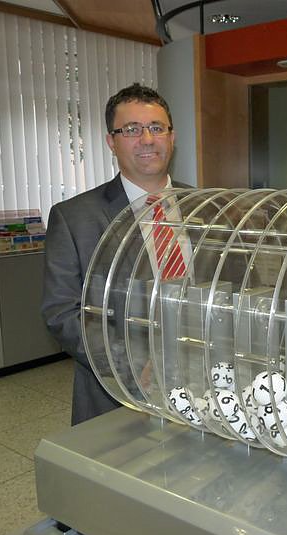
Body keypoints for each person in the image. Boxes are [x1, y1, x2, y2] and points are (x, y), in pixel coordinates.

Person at [42, 83, 188, 425]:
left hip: (205, 390)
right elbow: (62, 312)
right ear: (111, 141)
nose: (147, 139)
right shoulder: (74, 217)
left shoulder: (207, 206)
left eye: (156, 128)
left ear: (171, 137)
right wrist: (132, 365)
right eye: (132, 130)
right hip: (117, 396)